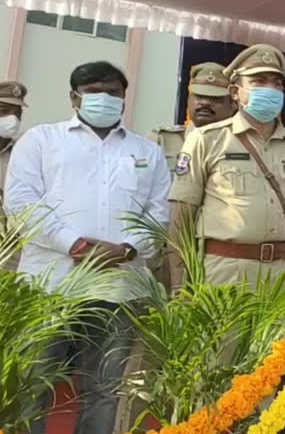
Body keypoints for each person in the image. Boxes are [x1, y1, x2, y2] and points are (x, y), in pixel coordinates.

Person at [4, 61, 170, 434]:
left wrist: (127, 250)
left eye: (114, 92)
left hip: (117, 288)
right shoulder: (42, 139)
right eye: (95, 90)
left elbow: (159, 215)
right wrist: (74, 245)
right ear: (73, 96)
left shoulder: (148, 151)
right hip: (49, 288)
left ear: (125, 98)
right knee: (32, 385)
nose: (105, 99)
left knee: (104, 390)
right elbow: (21, 203)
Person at [167, 43, 285, 290]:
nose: (270, 89)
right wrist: (179, 286)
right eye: (259, 81)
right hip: (224, 274)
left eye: (276, 83)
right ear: (235, 92)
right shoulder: (206, 139)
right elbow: (182, 216)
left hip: (284, 277)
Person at [148, 62, 236, 172]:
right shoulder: (162, 140)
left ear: (233, 105)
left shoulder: (242, 145)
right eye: (199, 96)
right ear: (189, 100)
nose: (205, 103)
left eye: (215, 98)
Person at [0, 81, 28, 271]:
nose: (12, 118)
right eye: (3, 109)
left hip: (11, 247)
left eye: (17, 112)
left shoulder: (24, 151)